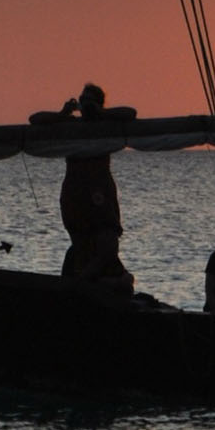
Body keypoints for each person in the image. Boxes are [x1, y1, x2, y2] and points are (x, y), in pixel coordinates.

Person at [57, 82, 132, 294]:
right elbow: (36, 119)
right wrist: (63, 113)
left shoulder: (106, 125)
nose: (86, 105)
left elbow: (130, 113)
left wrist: (101, 113)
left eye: (90, 101)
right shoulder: (70, 126)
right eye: (83, 101)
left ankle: (84, 282)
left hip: (100, 193)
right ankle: (85, 280)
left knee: (106, 242)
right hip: (75, 194)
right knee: (81, 243)